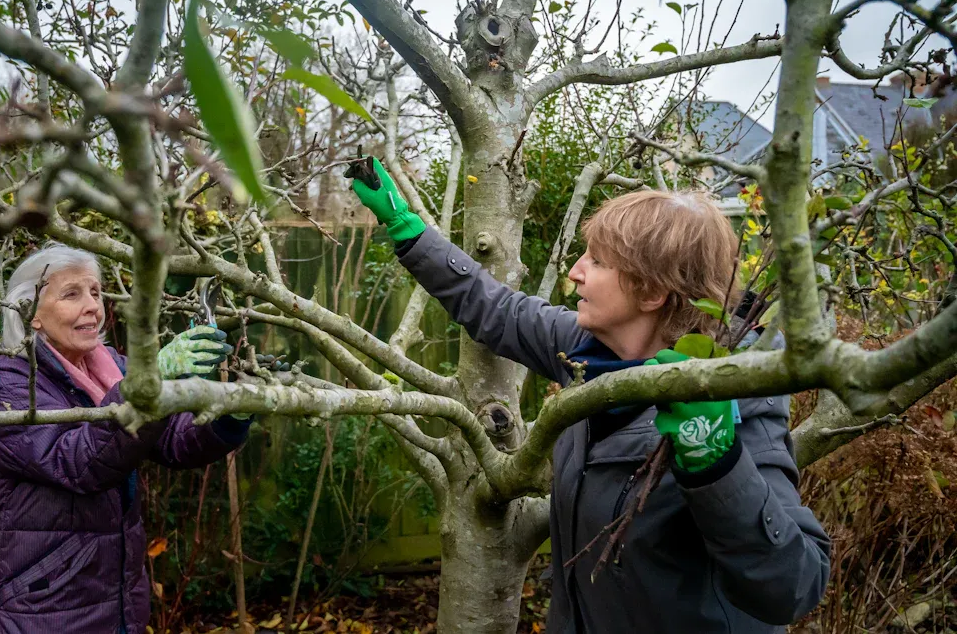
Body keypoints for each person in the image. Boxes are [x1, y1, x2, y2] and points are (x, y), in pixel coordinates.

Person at [350, 158, 830, 633]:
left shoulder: (737, 397)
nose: (576, 271)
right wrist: (407, 228)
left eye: (598, 262)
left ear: (650, 292)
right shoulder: (590, 353)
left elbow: (793, 585)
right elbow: (495, 308)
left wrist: (714, 460)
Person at [0, 243, 250, 634]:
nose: (93, 307)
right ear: (29, 314)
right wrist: (152, 378)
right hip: (44, 607)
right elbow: (77, 462)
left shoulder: (112, 368)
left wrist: (235, 411)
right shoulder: (4, 383)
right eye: (71, 294)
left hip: (117, 598)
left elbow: (173, 441)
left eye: (96, 292)